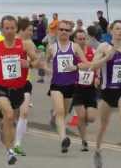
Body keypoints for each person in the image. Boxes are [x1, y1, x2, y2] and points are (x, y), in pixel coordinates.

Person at [0, 15, 40, 165]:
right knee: (8, 115)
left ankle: (5, 136)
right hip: (0, 87)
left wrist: (27, 63)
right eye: (6, 28)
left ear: (16, 29)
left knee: (11, 120)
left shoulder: (24, 45)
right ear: (2, 29)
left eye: (12, 28)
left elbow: (36, 61)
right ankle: (9, 152)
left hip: (17, 89)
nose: (9, 31)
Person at [91, 20, 121, 168]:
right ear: (111, 31)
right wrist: (107, 58)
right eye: (117, 29)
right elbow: (93, 66)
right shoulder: (104, 47)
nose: (120, 31)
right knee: (103, 126)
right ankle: (97, 151)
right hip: (107, 92)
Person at [45, 20, 89, 153]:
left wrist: (75, 67)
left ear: (70, 32)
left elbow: (86, 63)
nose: (64, 32)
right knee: (60, 111)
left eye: (67, 30)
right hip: (56, 85)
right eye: (61, 29)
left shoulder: (75, 47)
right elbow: (45, 62)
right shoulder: (52, 47)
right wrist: (48, 70)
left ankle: (54, 120)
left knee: (63, 113)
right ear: (57, 31)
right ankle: (64, 139)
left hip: (70, 86)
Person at [72, 29, 98, 151]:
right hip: (77, 89)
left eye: (84, 38)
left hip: (91, 88)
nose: (82, 41)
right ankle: (84, 141)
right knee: (81, 116)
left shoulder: (93, 51)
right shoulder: (72, 53)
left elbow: (97, 66)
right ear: (75, 40)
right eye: (80, 39)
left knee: (91, 118)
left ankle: (81, 124)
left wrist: (98, 77)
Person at [13, 17, 35, 156]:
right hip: (7, 82)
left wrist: (30, 63)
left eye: (32, 30)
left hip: (24, 82)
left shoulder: (29, 44)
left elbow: (35, 60)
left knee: (24, 112)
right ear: (21, 30)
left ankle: (17, 144)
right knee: (9, 116)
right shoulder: (8, 42)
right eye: (29, 30)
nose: (32, 32)